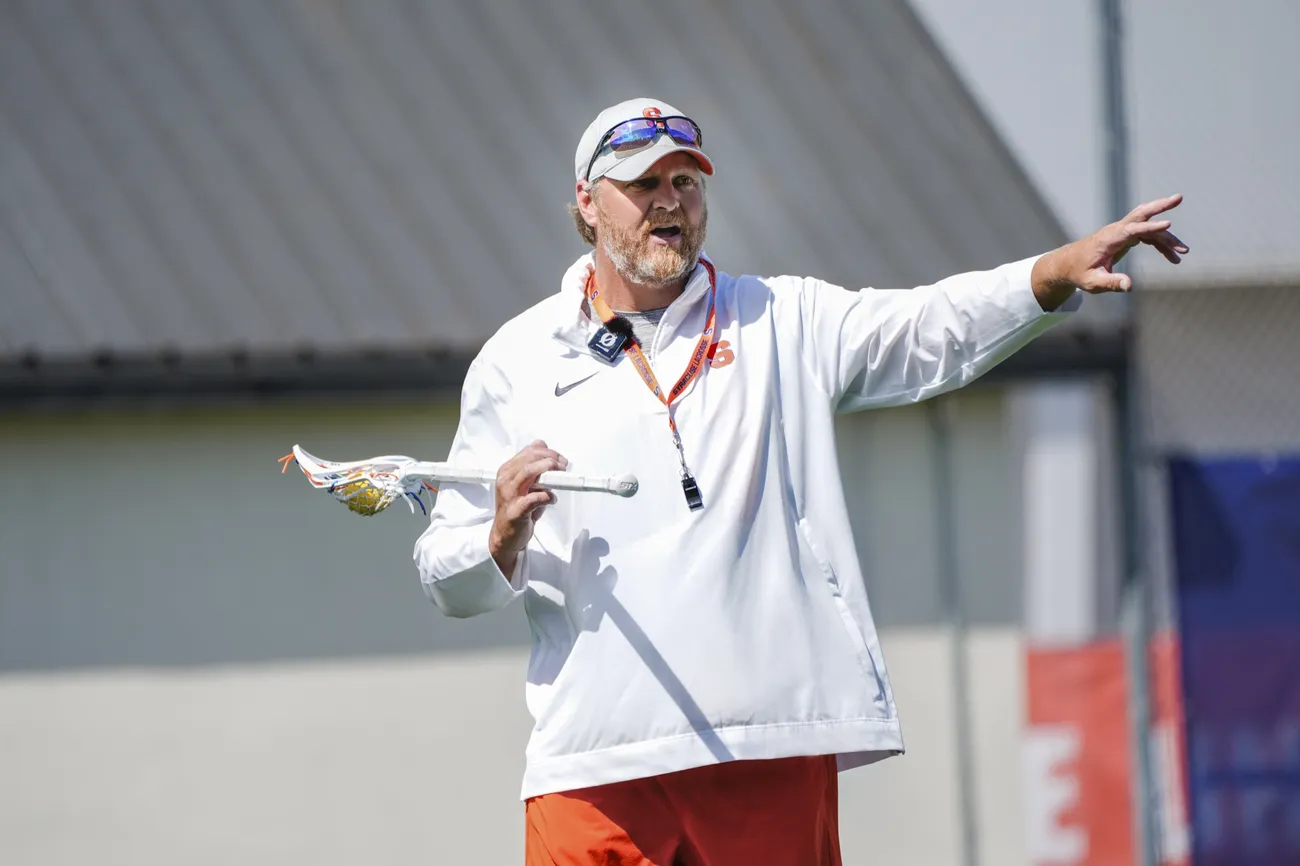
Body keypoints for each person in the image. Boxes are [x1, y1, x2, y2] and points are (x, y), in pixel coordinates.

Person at [413, 97, 1187, 865]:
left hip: (771, 745)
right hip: (592, 770)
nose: (669, 202)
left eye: (686, 182)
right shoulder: (515, 361)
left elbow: (928, 329)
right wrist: (498, 539)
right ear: (587, 202)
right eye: (643, 184)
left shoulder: (781, 318)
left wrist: (1047, 275)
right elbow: (446, 577)